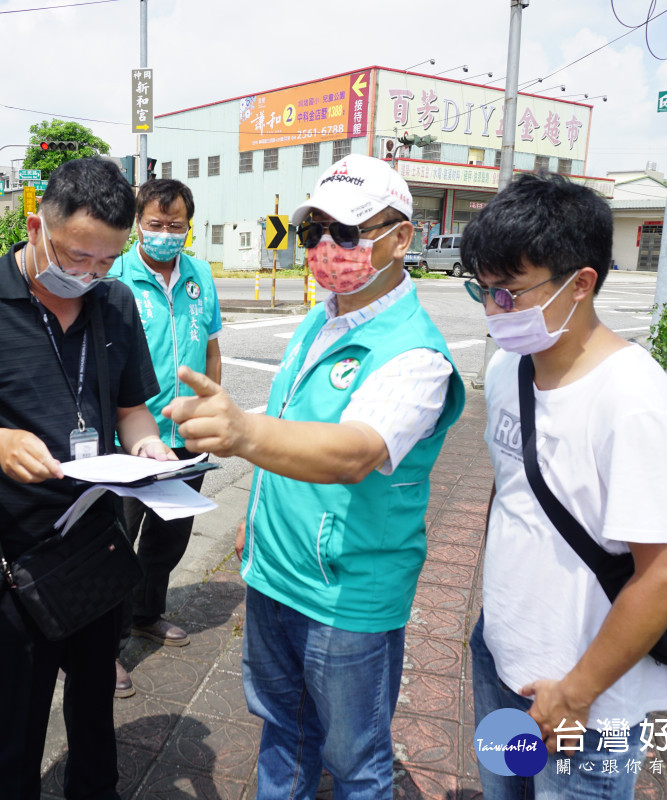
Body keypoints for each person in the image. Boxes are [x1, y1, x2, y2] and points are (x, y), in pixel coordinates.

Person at [164, 154, 465, 799]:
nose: (327, 249)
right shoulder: (322, 318)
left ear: (401, 238)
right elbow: (289, 430)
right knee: (280, 733)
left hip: (345, 597)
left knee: (355, 764)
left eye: (348, 233)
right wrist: (256, 519)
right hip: (275, 577)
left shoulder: (416, 354)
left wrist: (241, 433)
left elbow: (354, 452)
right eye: (314, 232)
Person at [0, 157, 175, 800]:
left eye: (106, 261)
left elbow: (130, 409)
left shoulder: (114, 302)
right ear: (36, 226)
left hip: (97, 544)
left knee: (94, 713)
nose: (89, 274)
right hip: (13, 559)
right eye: (76, 256)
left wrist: (148, 447)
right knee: (7, 731)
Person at [461, 173, 667, 799]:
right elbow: (514, 493)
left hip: (584, 705)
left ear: (581, 282)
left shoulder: (635, 404)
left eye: (509, 293)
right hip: (501, 655)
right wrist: (495, 626)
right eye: (481, 291)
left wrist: (577, 691)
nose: (493, 311)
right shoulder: (510, 366)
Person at [107, 178, 222, 697]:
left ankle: (146, 614)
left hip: (189, 434)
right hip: (132, 436)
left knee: (168, 537)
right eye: (155, 225)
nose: (165, 235)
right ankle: (101, 649)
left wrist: (214, 406)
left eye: (176, 226)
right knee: (114, 544)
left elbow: (211, 346)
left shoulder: (200, 275)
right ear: (137, 225)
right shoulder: (115, 276)